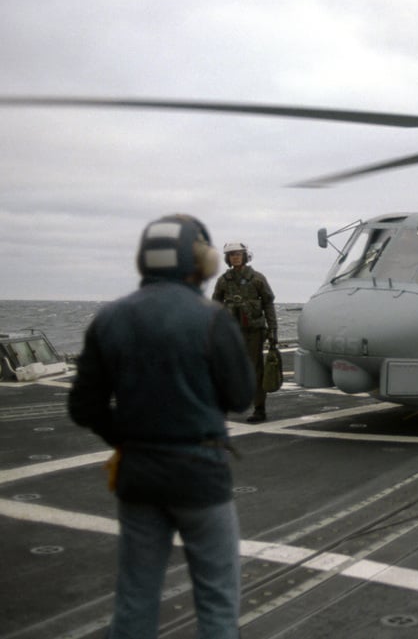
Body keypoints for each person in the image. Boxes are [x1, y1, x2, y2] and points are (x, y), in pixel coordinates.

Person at [68, 213, 255, 639]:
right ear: (203, 263)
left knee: (135, 598)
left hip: (138, 475)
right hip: (201, 475)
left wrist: (126, 438)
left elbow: (83, 406)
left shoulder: (110, 318)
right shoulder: (211, 318)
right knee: (217, 600)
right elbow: (242, 396)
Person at [213, 241, 278, 423]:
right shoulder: (223, 281)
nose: (235, 257)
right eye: (232, 255)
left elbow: (268, 303)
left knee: (256, 370)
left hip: (254, 332)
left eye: (238, 254)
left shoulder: (257, 278)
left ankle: (259, 409)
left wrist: (273, 330)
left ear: (245, 256)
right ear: (228, 258)